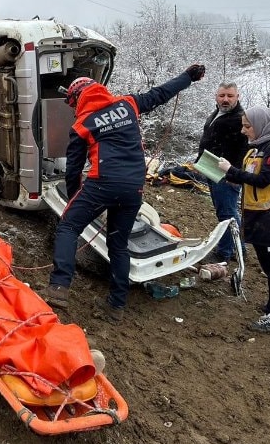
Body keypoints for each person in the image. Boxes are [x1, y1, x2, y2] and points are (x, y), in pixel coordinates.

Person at [44, 63, 207, 321]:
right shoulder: (128, 104)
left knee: (68, 227)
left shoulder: (82, 125)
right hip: (133, 189)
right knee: (118, 245)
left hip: (102, 183)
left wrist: (73, 202)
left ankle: (59, 287)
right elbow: (161, 93)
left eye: (72, 104)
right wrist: (188, 77)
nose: (73, 109)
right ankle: (116, 306)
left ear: (78, 98)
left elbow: (73, 170)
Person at [217, 106, 270, 333]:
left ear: (262, 125)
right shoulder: (258, 149)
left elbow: (263, 180)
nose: (243, 131)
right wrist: (235, 177)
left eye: (247, 126)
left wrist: (231, 170)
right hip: (261, 216)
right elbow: (253, 180)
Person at [197, 81, 248, 261]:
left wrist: (235, 174)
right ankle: (238, 247)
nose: (225, 99)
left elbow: (245, 149)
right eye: (222, 95)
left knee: (226, 214)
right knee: (228, 211)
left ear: (237, 97)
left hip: (227, 174)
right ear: (216, 97)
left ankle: (224, 252)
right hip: (212, 168)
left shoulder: (241, 118)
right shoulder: (218, 113)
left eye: (230, 96)